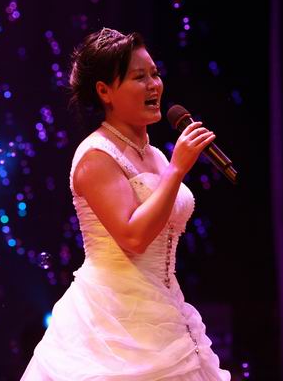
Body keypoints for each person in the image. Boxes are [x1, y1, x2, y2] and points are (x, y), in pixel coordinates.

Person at [21, 27, 231, 380]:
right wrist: (178, 169)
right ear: (104, 91)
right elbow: (133, 237)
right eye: (138, 77)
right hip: (112, 321)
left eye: (155, 74)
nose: (153, 85)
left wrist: (171, 167)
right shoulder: (96, 156)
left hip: (165, 310)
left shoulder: (155, 155)